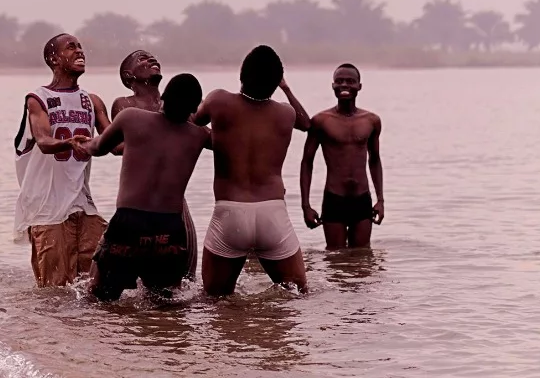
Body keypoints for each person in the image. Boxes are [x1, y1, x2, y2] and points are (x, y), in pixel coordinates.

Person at [194, 45, 313, 294]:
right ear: (276, 81)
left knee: (214, 299)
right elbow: (307, 123)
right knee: (298, 294)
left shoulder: (218, 100)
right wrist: (286, 88)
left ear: (242, 74)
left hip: (229, 212)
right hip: (272, 213)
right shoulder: (285, 113)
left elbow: (191, 123)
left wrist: (217, 139)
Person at [80, 73, 210, 300]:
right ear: (193, 110)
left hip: (129, 223)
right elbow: (235, 142)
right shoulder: (199, 136)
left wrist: (82, 144)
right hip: (169, 229)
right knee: (166, 302)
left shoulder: (130, 118)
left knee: (98, 298)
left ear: (164, 99)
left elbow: (99, 147)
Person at [12, 33, 111, 287]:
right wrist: (68, 142)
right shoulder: (37, 99)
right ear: (54, 59)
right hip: (46, 209)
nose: (80, 51)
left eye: (80, 47)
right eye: (71, 47)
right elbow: (44, 141)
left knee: (94, 286)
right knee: (53, 291)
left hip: (83, 205)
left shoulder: (92, 101)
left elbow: (116, 143)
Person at [114, 50, 200, 280]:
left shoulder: (178, 105)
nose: (151, 60)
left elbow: (197, 133)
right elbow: (116, 146)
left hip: (173, 203)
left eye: (153, 58)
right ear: (128, 75)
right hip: (137, 201)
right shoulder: (125, 105)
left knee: (183, 278)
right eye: (142, 59)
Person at [299, 63, 385, 250]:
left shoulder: (371, 121)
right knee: (334, 258)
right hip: (334, 198)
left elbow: (375, 160)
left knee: (362, 259)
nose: (344, 85)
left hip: (362, 198)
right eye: (339, 81)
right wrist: (305, 205)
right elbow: (307, 162)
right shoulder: (321, 121)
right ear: (333, 86)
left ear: (359, 86)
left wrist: (380, 199)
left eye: (350, 81)